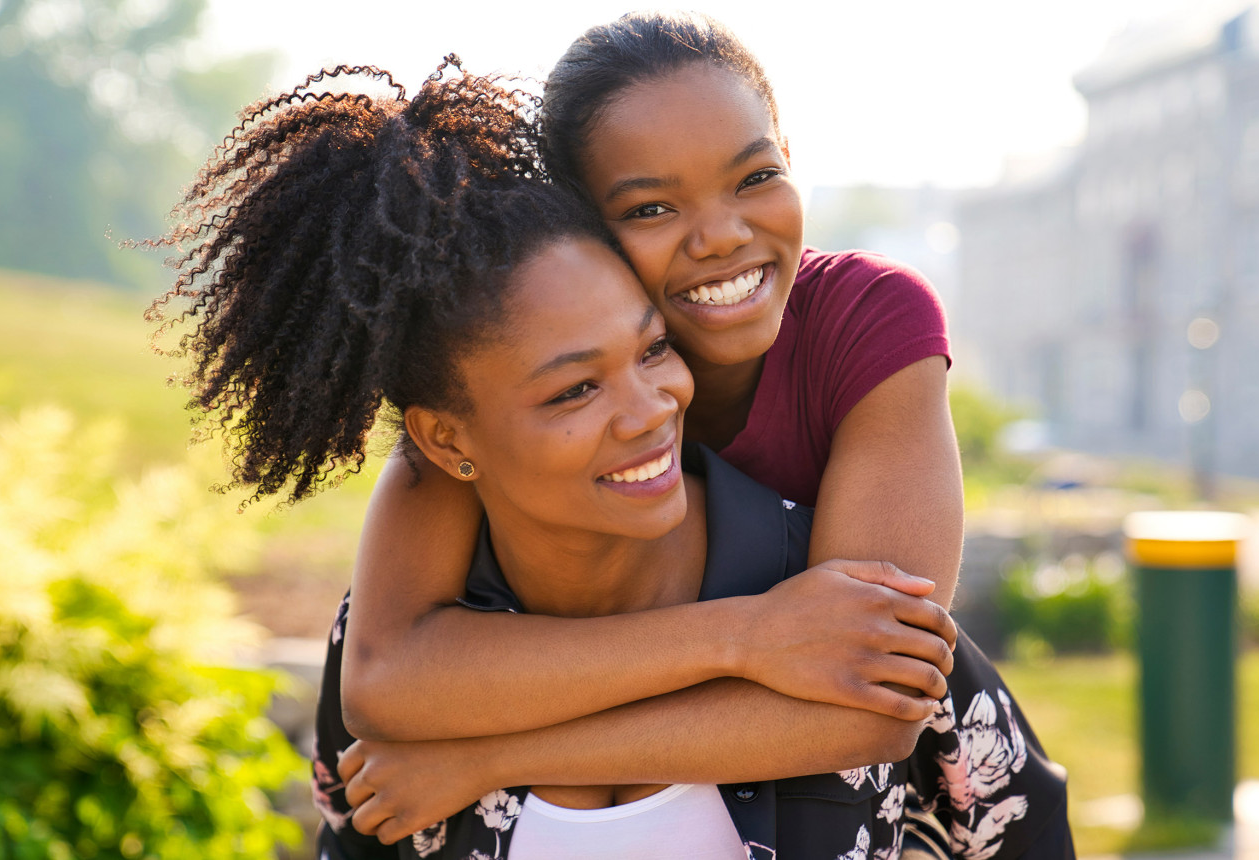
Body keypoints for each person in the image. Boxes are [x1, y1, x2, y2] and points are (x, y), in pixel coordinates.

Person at [323, 10, 1073, 860]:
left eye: (756, 177)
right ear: (580, 231)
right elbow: (387, 676)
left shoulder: (864, 323)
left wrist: (494, 757)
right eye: (651, 206)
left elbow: (870, 698)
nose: (721, 235)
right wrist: (750, 634)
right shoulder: (518, 377)